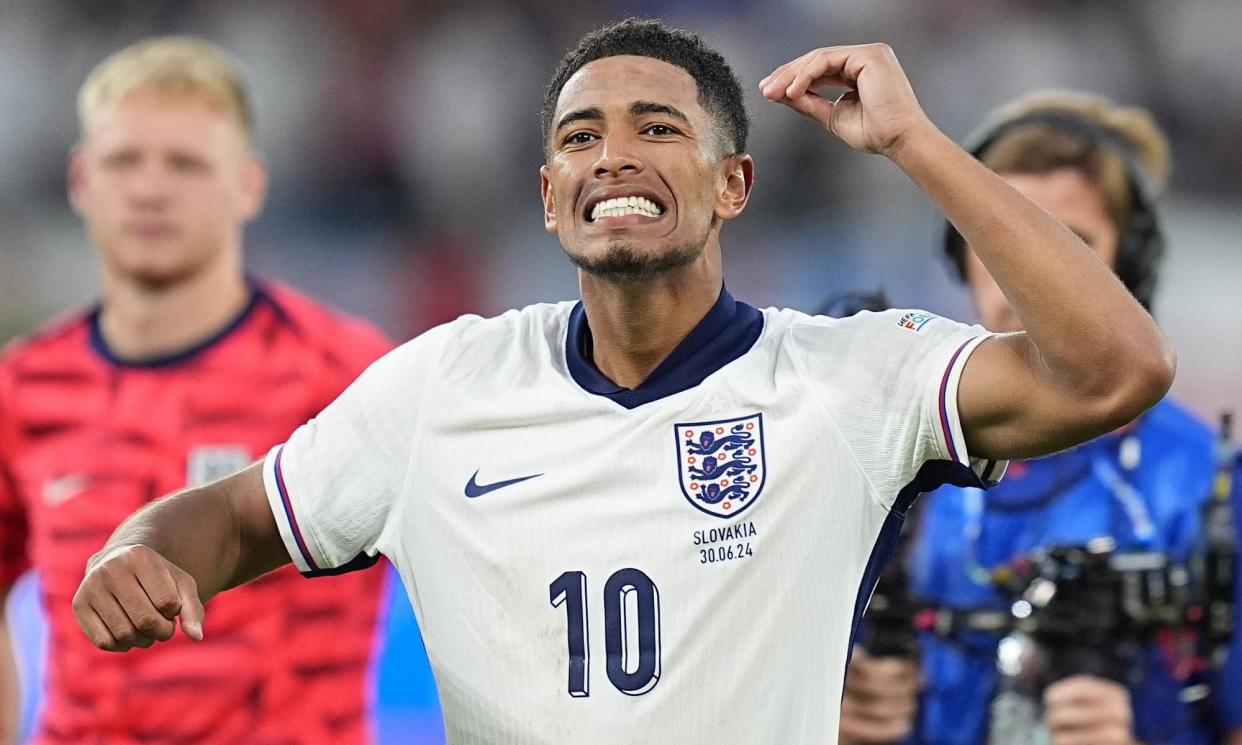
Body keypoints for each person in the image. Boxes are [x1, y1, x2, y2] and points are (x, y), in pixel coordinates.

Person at [72, 19, 1177, 743]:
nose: (616, 156)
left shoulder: (846, 379)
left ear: (732, 182)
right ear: (550, 196)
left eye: (660, 129)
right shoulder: (443, 383)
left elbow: (1114, 371)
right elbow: (230, 515)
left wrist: (915, 144)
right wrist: (142, 551)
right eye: (582, 136)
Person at [0, 38, 391, 745]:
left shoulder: (346, 373)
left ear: (248, 185)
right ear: (81, 179)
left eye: (185, 163)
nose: (151, 187)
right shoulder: (22, 390)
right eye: (124, 161)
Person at [839, 93, 1242, 745]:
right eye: (1000, 236)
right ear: (957, 254)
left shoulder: (1208, 484)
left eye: (1070, 242)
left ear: (1130, 267)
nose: (1031, 272)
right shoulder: (874, 449)